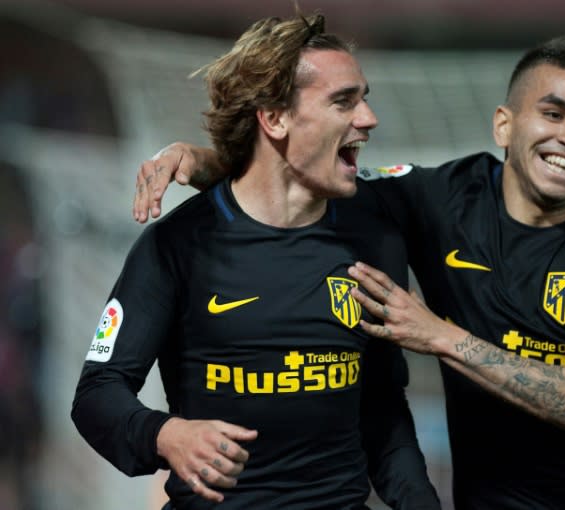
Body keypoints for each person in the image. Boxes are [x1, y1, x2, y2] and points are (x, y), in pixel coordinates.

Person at [133, 36, 565, 509]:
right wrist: (203, 161)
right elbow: (294, 169)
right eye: (554, 114)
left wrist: (439, 336)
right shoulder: (441, 198)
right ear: (504, 125)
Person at [72, 12, 440, 510]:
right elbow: (97, 394)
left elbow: (381, 407)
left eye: (364, 98)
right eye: (343, 101)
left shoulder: (375, 239)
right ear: (275, 117)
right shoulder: (178, 245)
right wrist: (165, 434)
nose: (368, 118)